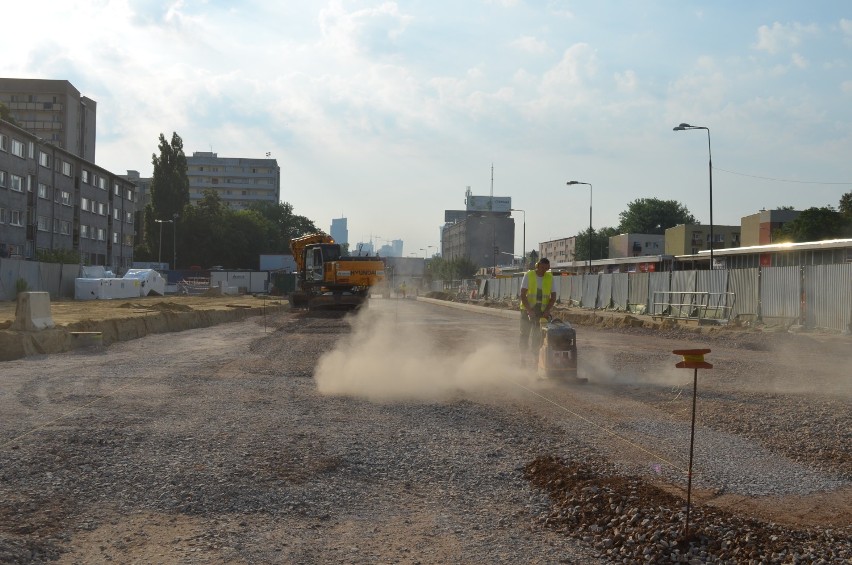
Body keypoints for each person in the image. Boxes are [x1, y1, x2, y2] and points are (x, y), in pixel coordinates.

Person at [519, 257, 556, 368]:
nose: (545, 270)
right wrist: (529, 310)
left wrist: (547, 310)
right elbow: (522, 294)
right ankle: (523, 359)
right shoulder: (529, 275)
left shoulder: (550, 277)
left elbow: (553, 297)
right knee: (524, 335)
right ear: (538, 265)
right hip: (527, 310)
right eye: (543, 267)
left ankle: (536, 360)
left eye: (547, 268)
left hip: (541, 312)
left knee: (538, 337)